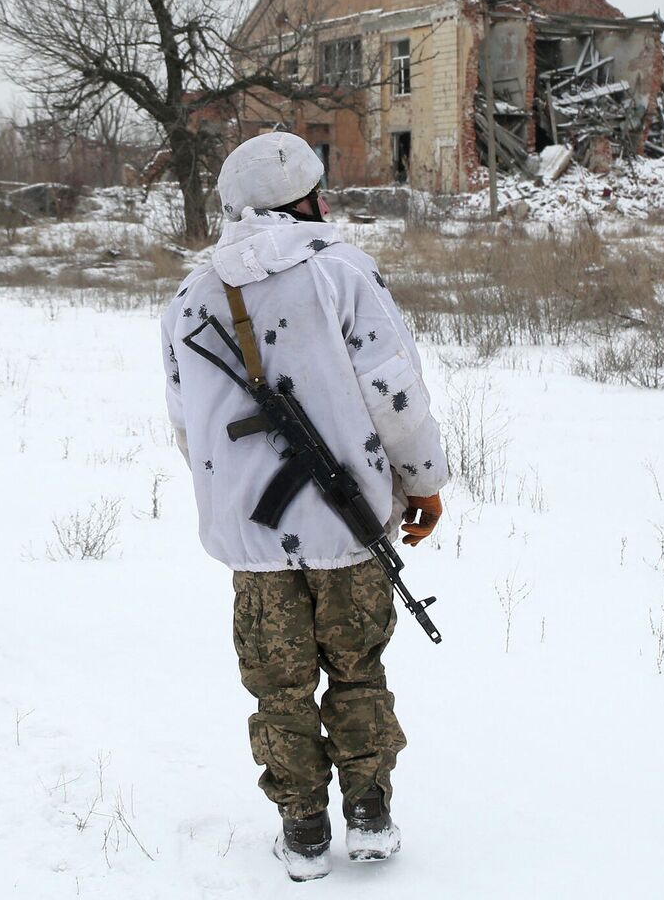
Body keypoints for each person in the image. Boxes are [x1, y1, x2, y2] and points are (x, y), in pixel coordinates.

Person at [160, 131, 448, 882]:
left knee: (276, 687)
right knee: (358, 671)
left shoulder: (188, 297)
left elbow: (186, 425)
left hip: (253, 543)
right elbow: (395, 393)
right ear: (305, 200)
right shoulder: (341, 274)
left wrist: (233, 502)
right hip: (349, 531)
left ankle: (304, 828)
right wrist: (422, 481)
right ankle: (371, 815)